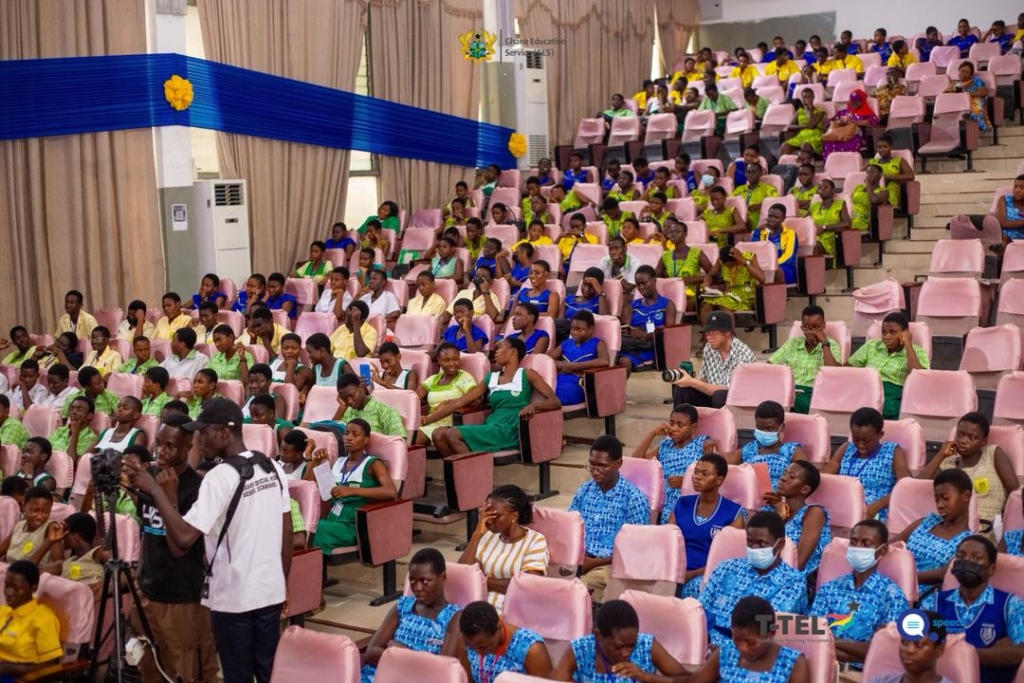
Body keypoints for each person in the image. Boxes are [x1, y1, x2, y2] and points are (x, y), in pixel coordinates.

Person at [124, 399, 292, 683]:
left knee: (236, 675)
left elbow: (184, 540)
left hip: (233, 599)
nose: (199, 439)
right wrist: (283, 582)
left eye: (204, 432)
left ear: (224, 433)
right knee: (267, 673)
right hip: (270, 592)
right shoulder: (272, 467)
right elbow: (285, 534)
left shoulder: (218, 478)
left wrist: (156, 490)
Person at [131, 410, 218, 682]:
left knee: (182, 672)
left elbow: (179, 546)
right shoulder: (150, 478)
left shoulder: (197, 488)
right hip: (148, 589)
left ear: (188, 447)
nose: (162, 451)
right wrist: (139, 578)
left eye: (171, 445)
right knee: (149, 668)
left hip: (182, 596)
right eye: (159, 442)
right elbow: (148, 532)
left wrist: (165, 495)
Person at [430, 338, 560, 457]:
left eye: (500, 348)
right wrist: (428, 420)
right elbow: (459, 403)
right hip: (491, 425)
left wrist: (533, 406)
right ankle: (465, 477)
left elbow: (555, 401)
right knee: (438, 434)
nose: (495, 352)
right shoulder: (490, 378)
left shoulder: (527, 374)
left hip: (511, 428)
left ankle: (476, 477)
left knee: (452, 434)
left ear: (512, 352)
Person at [697, 512, 808, 648]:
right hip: (702, 640)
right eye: (750, 542)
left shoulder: (793, 582)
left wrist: (724, 649)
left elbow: (765, 629)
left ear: (780, 545)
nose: (754, 549)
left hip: (747, 651)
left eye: (761, 544)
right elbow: (699, 609)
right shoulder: (727, 567)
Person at [811, 519, 909, 663]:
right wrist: (858, 650)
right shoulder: (829, 588)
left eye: (866, 543)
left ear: (882, 550)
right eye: (854, 541)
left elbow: (885, 650)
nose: (858, 547)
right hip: (820, 666)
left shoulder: (892, 596)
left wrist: (829, 641)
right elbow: (811, 635)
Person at [360, 548, 462, 683]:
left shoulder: (454, 617)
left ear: (442, 578)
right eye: (412, 580)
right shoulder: (403, 606)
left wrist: (399, 652)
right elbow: (371, 652)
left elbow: (441, 670)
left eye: (424, 581)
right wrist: (417, 662)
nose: (417, 588)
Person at [569, 435, 650, 605]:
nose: (595, 471)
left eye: (603, 466)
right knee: (543, 579)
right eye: (592, 464)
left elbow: (634, 550)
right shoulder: (585, 490)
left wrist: (593, 562)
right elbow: (569, 527)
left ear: (618, 464)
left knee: (577, 590)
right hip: (578, 558)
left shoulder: (633, 499)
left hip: (610, 565)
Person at [935, 535, 1024, 682]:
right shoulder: (935, 601)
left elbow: (1021, 652)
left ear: (991, 569)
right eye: (960, 556)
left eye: (976, 558)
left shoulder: (1011, 604)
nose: (967, 561)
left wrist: (947, 650)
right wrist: (991, 653)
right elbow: (920, 643)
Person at [920, 412, 1018, 539]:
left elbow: (1015, 492)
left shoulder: (992, 454)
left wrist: (1005, 521)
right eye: (959, 435)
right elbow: (917, 488)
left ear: (983, 441)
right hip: (955, 531)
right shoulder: (947, 463)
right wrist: (940, 455)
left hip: (986, 531)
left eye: (971, 437)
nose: (963, 440)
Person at [309, 418, 397, 556]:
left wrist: (352, 491)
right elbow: (317, 489)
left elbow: (391, 492)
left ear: (366, 440)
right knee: (304, 525)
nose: (348, 438)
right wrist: (315, 463)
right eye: (346, 433)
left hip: (353, 525)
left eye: (355, 435)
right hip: (333, 519)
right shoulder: (338, 462)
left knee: (312, 530)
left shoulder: (372, 463)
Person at [893, 468, 974, 610]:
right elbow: (890, 546)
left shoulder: (969, 542)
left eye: (946, 498)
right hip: (894, 585)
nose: (940, 505)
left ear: (966, 496)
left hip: (926, 599)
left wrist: (905, 578)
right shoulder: (925, 522)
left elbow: (944, 573)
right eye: (937, 500)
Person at [458, 485, 548, 612]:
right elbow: (462, 574)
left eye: (496, 516)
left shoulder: (535, 541)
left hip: (512, 614)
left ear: (513, 516)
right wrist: (476, 534)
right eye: (486, 515)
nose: (488, 521)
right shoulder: (485, 537)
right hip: (476, 609)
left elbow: (528, 585)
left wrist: (483, 581)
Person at [551, 599, 689, 682]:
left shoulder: (646, 646)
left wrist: (645, 677)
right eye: (619, 647)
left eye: (632, 645)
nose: (626, 653)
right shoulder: (581, 649)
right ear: (598, 636)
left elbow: (688, 680)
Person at [668, 454, 744, 598]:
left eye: (705, 474)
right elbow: (667, 542)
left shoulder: (734, 513)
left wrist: (693, 574)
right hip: (673, 569)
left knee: (696, 589)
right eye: (696, 472)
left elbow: (728, 559)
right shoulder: (681, 504)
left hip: (705, 574)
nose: (697, 477)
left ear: (719, 480)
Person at [688, 596, 809, 682]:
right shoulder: (726, 653)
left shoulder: (793, 663)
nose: (742, 648)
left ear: (771, 634)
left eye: (751, 642)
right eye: (736, 639)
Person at [633, 403, 717, 524]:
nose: (674, 428)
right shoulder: (664, 445)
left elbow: (713, 474)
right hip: (662, 497)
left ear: (693, 428)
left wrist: (686, 482)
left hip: (687, 498)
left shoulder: (701, 443)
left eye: (680, 425)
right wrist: (652, 434)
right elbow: (636, 462)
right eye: (671, 423)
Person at [822, 407, 909, 522]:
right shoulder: (846, 448)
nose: (861, 445)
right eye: (856, 439)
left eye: (867, 441)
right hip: (841, 506)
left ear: (880, 435)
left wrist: (876, 506)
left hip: (874, 510)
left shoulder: (891, 451)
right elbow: (824, 476)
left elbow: (906, 487)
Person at [847, 311, 929, 418]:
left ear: (905, 333)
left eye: (893, 332)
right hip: (866, 392)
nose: (887, 337)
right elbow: (847, 369)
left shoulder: (916, 351)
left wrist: (907, 344)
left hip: (893, 398)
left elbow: (919, 378)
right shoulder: (872, 346)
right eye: (884, 333)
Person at [671, 311, 755, 409]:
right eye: (707, 334)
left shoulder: (742, 354)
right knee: (682, 389)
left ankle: (720, 423)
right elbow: (703, 379)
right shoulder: (709, 347)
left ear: (728, 332)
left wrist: (692, 382)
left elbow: (729, 391)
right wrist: (688, 382)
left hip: (737, 400)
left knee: (720, 395)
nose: (709, 338)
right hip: (712, 396)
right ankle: (679, 422)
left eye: (714, 333)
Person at [767, 305, 841, 413]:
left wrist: (824, 343)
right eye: (806, 327)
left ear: (824, 325)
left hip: (815, 394)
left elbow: (833, 373)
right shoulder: (793, 343)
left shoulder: (831, 345)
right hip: (790, 390)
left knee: (788, 403)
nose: (811, 332)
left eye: (816, 327)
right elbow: (769, 367)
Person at [457, 600, 552, 681]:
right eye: (470, 647)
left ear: (498, 628)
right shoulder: (468, 641)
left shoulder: (530, 649)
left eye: (482, 647)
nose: (477, 653)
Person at [766, 461, 830, 576]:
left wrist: (779, 519)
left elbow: (799, 562)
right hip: (766, 571)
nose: (783, 478)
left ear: (805, 489)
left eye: (791, 477)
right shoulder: (774, 509)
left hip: (794, 578)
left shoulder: (814, 512)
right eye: (784, 473)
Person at [726, 400, 807, 491]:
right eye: (760, 428)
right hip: (748, 496)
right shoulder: (749, 449)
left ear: (782, 428)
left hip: (780, 500)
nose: (764, 432)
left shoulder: (791, 450)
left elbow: (805, 477)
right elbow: (726, 468)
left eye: (770, 429)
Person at [0, 560, 63, 677]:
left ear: (33, 588)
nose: (8, 592)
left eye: (16, 588)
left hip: (18, 677)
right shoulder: (3, 611)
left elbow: (49, 665)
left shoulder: (43, 619)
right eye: (7, 585)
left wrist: (7, 668)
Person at [415, 343, 478, 446]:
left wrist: (448, 403)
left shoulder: (464, 377)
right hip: (427, 422)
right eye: (446, 360)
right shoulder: (433, 379)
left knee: (414, 438)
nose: (452, 363)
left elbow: (476, 398)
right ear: (439, 361)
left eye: (455, 359)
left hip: (450, 425)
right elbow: (413, 398)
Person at [617, 266, 676, 375]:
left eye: (644, 283)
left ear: (654, 280)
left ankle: (617, 391)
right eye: (638, 284)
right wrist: (626, 331)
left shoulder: (667, 305)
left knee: (624, 362)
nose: (641, 287)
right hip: (632, 344)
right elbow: (627, 327)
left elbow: (670, 336)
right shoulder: (634, 305)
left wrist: (645, 335)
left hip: (650, 347)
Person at [867, 613, 954, 683]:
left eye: (919, 645)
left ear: (939, 649)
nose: (908, 650)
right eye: (905, 642)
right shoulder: (880, 681)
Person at [548, 310, 610, 407]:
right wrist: (560, 364)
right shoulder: (567, 343)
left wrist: (573, 366)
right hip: (559, 378)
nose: (575, 333)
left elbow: (604, 361)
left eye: (580, 330)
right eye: (572, 329)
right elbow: (547, 359)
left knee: (556, 395)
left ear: (590, 329)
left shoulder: (597, 343)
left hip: (578, 382)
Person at [656, 221, 714, 312]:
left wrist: (692, 279)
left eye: (677, 232)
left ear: (685, 234)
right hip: (670, 293)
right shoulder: (666, 255)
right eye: (671, 233)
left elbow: (713, 275)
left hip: (690, 294)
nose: (673, 235)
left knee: (677, 305)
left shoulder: (697, 253)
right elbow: (655, 277)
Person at [332, 373, 406, 437]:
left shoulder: (385, 411)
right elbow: (332, 434)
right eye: (344, 398)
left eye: (352, 395)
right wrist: (341, 408)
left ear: (361, 387)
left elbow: (399, 445)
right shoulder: (347, 411)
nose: (349, 401)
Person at [0, 486, 61, 564]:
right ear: (24, 506)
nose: (39, 516)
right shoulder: (19, 526)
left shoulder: (51, 527)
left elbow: (59, 564)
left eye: (45, 512)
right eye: (35, 511)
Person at [823, 89, 879, 161]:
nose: (852, 103)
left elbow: (872, 121)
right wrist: (840, 122)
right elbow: (832, 121)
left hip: (854, 135)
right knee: (828, 143)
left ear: (861, 102)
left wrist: (853, 122)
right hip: (839, 134)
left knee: (851, 143)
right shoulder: (843, 112)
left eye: (856, 101)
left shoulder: (867, 113)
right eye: (851, 101)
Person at [752, 203, 798, 285]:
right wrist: (757, 231)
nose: (771, 219)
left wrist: (771, 265)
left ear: (783, 219)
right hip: (763, 266)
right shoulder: (762, 233)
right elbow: (753, 250)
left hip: (785, 268)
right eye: (770, 216)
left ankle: (776, 296)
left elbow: (789, 257)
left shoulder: (790, 234)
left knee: (774, 272)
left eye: (776, 217)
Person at [870, 135, 916, 210]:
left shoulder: (899, 161)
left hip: (891, 190)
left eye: (885, 147)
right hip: (874, 189)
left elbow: (910, 176)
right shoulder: (873, 162)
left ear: (891, 147)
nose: (882, 150)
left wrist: (887, 177)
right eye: (879, 147)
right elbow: (860, 175)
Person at [808, 178, 851, 256]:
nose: (823, 189)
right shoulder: (814, 206)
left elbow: (846, 223)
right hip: (815, 236)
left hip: (832, 236)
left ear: (833, 191)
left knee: (814, 245)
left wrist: (825, 227)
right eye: (820, 188)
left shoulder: (840, 204)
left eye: (826, 187)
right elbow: (803, 221)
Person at [732, 162, 778, 231]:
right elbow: (730, 202)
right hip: (739, 216)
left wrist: (760, 206)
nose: (750, 175)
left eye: (754, 172)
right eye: (748, 172)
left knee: (752, 217)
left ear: (760, 173)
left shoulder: (768, 188)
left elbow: (775, 202)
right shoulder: (739, 189)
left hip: (758, 216)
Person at [948, 61, 990, 132]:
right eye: (962, 71)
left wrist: (966, 94)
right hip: (962, 107)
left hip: (975, 104)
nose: (963, 73)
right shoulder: (957, 85)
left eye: (967, 72)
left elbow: (983, 92)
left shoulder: (976, 80)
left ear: (971, 74)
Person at [781, 89, 826, 156]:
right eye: (804, 97)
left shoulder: (820, 111)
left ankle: (806, 165)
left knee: (805, 145)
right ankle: (783, 165)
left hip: (814, 136)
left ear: (813, 97)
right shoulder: (800, 111)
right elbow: (789, 126)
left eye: (809, 97)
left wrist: (810, 109)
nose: (806, 99)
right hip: (801, 136)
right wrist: (804, 126)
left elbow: (812, 125)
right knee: (785, 145)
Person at [995, 174, 1024, 247]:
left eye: (1022, 187)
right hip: (1004, 240)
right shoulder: (1004, 200)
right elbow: (1001, 222)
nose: (1017, 190)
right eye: (1015, 187)